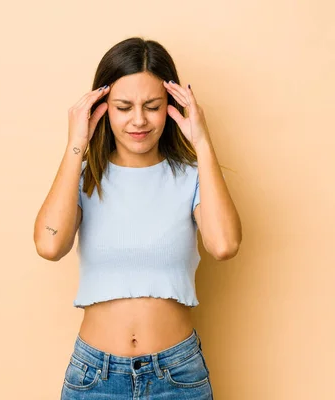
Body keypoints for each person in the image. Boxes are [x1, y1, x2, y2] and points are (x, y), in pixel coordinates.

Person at [33, 37, 242, 399]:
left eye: (152, 106)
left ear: (172, 106)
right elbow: (50, 245)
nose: (139, 120)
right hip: (94, 378)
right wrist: (75, 144)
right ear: (102, 108)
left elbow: (224, 245)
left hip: (177, 375)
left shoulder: (193, 176)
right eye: (123, 107)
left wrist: (203, 142)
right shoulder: (83, 177)